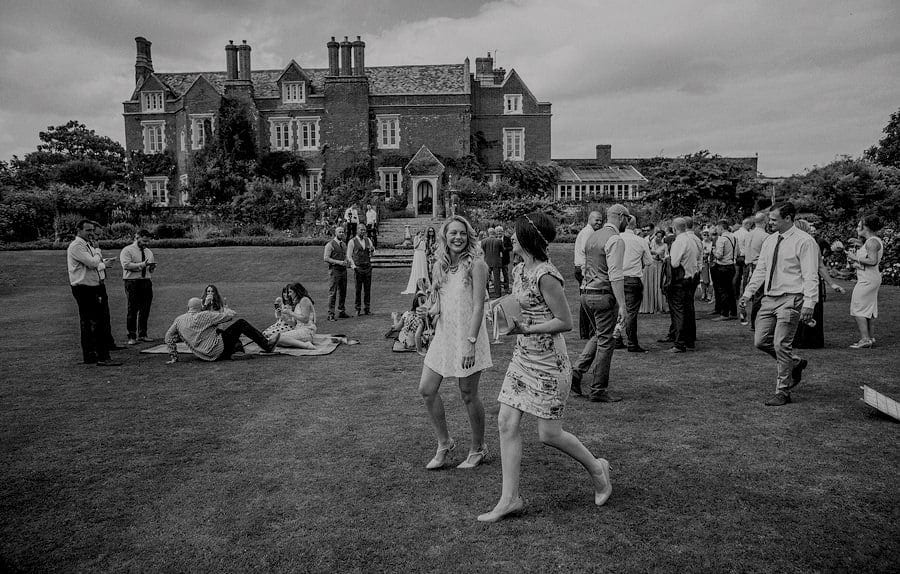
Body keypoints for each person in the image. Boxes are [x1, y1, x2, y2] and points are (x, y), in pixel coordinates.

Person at [477, 212, 612, 523]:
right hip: (522, 360)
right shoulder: (520, 269)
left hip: (549, 364)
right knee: (506, 423)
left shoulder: (546, 275)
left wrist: (527, 329)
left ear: (528, 238)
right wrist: (500, 309)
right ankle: (510, 499)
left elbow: (564, 321)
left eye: (515, 233)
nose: (510, 237)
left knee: (549, 434)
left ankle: (597, 469)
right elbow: (521, 302)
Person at [417, 215, 492, 470]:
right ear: (445, 237)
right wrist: (429, 309)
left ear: (468, 235)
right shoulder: (440, 265)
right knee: (427, 389)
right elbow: (441, 301)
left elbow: (479, 305)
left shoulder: (476, 264)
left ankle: (478, 447)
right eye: (453, 234)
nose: (458, 238)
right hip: (444, 335)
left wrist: (470, 342)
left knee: (468, 394)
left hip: (468, 335)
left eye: (462, 233)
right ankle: (444, 442)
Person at [740, 202, 818, 406]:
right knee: (760, 341)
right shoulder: (770, 240)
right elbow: (761, 270)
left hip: (792, 298)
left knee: (781, 344)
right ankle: (795, 362)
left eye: (774, 219)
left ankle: (782, 391)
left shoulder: (805, 241)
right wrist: (747, 294)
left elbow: (811, 275)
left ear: (788, 218)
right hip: (769, 298)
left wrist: (810, 303)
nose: (770, 222)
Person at [571, 204, 630, 403]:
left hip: (586, 293)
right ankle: (598, 389)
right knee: (607, 342)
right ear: (621, 217)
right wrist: (622, 304)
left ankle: (576, 372)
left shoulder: (592, 236)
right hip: (603, 294)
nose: (627, 223)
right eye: (627, 219)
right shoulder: (615, 239)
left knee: (599, 335)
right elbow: (615, 274)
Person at [67, 219, 121, 366]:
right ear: (79, 230)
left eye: (92, 230)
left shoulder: (85, 245)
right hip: (85, 288)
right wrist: (98, 252)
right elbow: (92, 263)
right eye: (88, 230)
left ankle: (91, 355)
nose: (91, 233)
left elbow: (93, 263)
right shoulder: (77, 245)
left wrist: (101, 261)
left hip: (90, 286)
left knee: (90, 322)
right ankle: (102, 357)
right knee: (96, 322)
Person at [164, 297, 279, 362]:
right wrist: (227, 309)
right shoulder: (205, 315)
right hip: (219, 349)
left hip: (203, 356)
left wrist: (174, 356)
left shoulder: (179, 320)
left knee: (221, 332)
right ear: (201, 307)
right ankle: (267, 345)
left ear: (188, 307)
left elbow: (168, 337)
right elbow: (230, 316)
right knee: (241, 324)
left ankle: (236, 352)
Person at [792, 219, 845, 349]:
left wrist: (832, 284)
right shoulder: (796, 243)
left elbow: (820, 266)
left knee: (808, 310)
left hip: (808, 281)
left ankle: (806, 340)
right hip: (798, 281)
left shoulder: (811, 244)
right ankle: (801, 339)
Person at [661, 217, 700, 353]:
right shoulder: (692, 240)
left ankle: (679, 343)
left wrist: (667, 258)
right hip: (690, 278)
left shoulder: (679, 242)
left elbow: (675, 263)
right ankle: (689, 340)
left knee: (678, 311)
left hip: (680, 281)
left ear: (674, 228)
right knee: (688, 310)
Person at [846, 214, 884, 348]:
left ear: (865, 227)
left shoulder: (872, 242)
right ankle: (870, 338)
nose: (857, 228)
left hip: (868, 280)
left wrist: (854, 258)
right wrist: (857, 265)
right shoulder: (871, 241)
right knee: (868, 309)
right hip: (869, 277)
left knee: (858, 307)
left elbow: (873, 261)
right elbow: (869, 262)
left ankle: (865, 339)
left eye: (858, 226)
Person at [618, 215, 653, 352]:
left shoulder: (616, 238)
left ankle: (617, 339)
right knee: (631, 312)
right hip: (632, 278)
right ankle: (632, 342)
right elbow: (649, 261)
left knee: (618, 309)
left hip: (617, 278)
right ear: (634, 225)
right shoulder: (640, 240)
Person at [119, 229, 156, 345]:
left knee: (145, 309)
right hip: (132, 282)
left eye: (147, 241)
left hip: (146, 281)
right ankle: (131, 336)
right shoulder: (127, 250)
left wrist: (151, 268)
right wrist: (142, 265)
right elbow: (126, 265)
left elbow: (149, 266)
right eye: (144, 241)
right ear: (137, 237)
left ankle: (143, 334)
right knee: (133, 309)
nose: (146, 243)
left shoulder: (149, 252)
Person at [574, 211, 603, 338]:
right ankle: (587, 332)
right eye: (596, 220)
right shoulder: (588, 232)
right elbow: (588, 251)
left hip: (582, 268)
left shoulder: (589, 232)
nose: (599, 223)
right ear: (589, 219)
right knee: (587, 300)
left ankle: (586, 332)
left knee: (585, 300)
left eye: (601, 220)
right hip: (584, 269)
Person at [745, 211, 770, 328]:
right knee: (760, 296)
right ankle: (756, 322)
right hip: (760, 266)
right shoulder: (765, 236)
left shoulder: (749, 234)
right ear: (765, 221)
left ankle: (755, 321)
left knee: (755, 295)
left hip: (750, 264)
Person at [275, 282, 319, 350]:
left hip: (307, 331)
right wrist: (282, 317)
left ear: (296, 291)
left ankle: (306, 345)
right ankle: (300, 343)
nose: (289, 294)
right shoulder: (297, 303)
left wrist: (290, 313)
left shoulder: (304, 300)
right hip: (298, 329)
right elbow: (294, 323)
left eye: (290, 292)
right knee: (274, 339)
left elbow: (305, 319)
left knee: (279, 339)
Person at [711, 219, 738, 320]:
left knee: (723, 290)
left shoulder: (721, 239)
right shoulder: (734, 237)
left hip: (722, 266)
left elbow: (719, 255)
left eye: (717, 228)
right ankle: (733, 312)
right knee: (730, 290)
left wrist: (714, 251)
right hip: (731, 265)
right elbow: (737, 251)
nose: (716, 230)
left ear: (721, 228)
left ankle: (724, 313)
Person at [323, 226, 350, 321]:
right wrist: (338, 262)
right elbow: (326, 258)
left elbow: (346, 255)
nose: (342, 234)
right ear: (336, 233)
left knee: (343, 291)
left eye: (343, 232)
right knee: (332, 292)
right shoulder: (330, 245)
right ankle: (330, 313)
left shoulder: (344, 245)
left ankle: (341, 311)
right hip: (334, 270)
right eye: (340, 232)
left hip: (343, 270)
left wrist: (347, 260)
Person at [641, 229, 669, 314]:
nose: (658, 238)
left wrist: (661, 258)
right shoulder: (651, 243)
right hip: (650, 266)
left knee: (657, 285)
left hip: (659, 266)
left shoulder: (665, 245)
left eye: (660, 237)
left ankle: (658, 305)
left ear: (662, 237)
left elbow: (667, 257)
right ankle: (648, 305)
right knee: (649, 285)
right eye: (657, 236)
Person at [349, 225, 375, 315]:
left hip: (367, 266)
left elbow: (373, 253)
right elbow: (349, 256)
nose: (363, 232)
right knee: (358, 289)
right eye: (361, 230)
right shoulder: (352, 241)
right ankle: (357, 308)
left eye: (364, 230)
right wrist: (353, 266)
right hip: (358, 267)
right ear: (357, 230)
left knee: (367, 289)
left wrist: (372, 250)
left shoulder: (368, 240)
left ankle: (367, 308)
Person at [402, 229, 431, 294]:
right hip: (418, 254)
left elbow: (425, 248)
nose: (422, 234)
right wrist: (420, 240)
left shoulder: (424, 239)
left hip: (423, 254)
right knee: (417, 268)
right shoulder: (416, 238)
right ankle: (417, 285)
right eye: (421, 233)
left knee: (423, 269)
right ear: (418, 233)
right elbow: (415, 246)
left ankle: (425, 285)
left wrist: (425, 242)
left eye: (423, 233)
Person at [482, 227, 504, 299]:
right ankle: (498, 294)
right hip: (496, 261)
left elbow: (482, 251)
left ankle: (487, 293)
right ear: (494, 233)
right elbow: (502, 250)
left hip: (487, 261)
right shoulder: (498, 241)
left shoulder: (484, 241)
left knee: (486, 278)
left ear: (488, 233)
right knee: (497, 278)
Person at [499, 226, 513, 294]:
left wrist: (505, 249)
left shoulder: (507, 238)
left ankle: (506, 288)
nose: (499, 233)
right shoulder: (495, 239)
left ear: (503, 232)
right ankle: (499, 288)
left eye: (500, 232)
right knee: (497, 275)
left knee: (505, 274)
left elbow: (511, 247)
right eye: (498, 232)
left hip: (504, 259)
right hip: (497, 260)